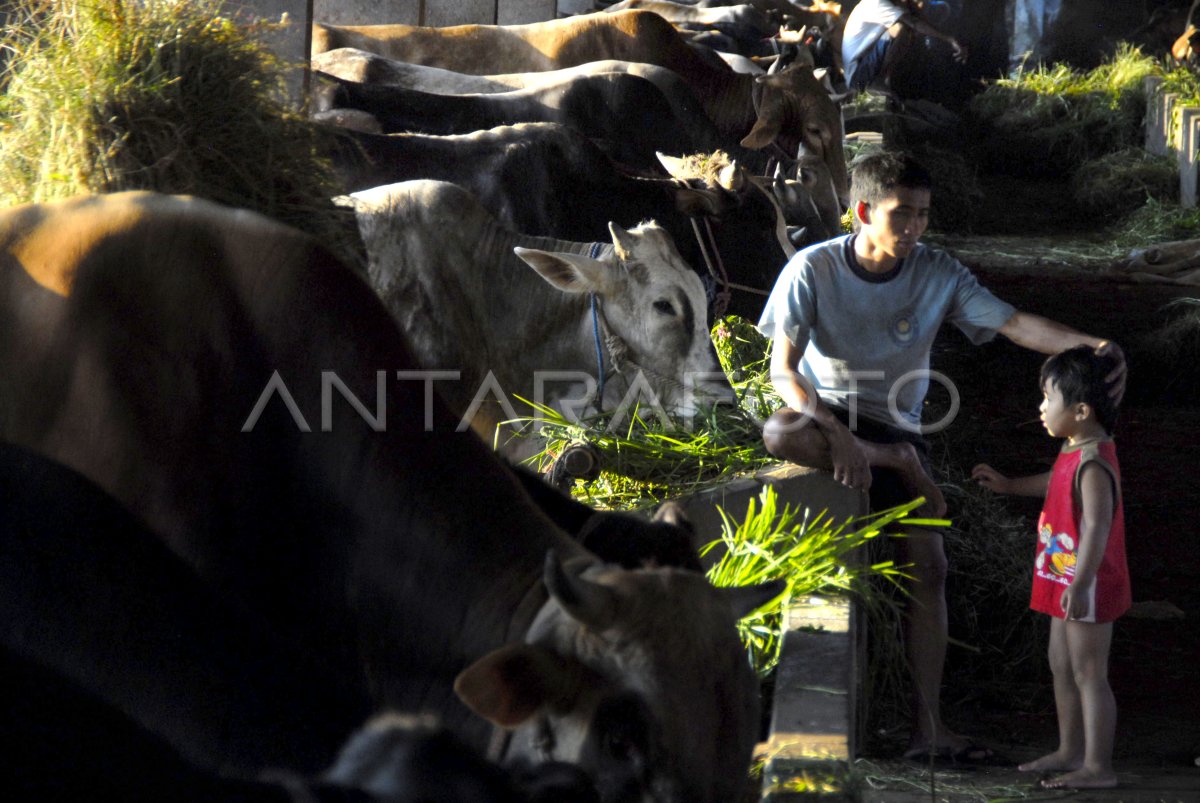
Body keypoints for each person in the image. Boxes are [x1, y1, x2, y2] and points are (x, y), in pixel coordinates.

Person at [756, 149, 1126, 761]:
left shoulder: (938, 272)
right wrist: (838, 432)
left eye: (924, 215)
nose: (914, 228)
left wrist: (1094, 343)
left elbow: (1013, 325)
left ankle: (928, 729)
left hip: (901, 428)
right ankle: (892, 459)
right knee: (778, 434)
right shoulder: (811, 269)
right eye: (902, 215)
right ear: (862, 211)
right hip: (827, 420)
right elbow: (784, 372)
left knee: (931, 572)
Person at [971, 346, 1128, 790]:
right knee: (1060, 664)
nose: (1041, 407)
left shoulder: (1095, 462)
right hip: (1064, 577)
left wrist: (1081, 584)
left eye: (1047, 398)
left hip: (1087, 582)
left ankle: (1099, 766)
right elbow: (1056, 481)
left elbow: (1097, 526)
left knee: (1089, 673)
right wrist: (1008, 486)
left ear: (1080, 410)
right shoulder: (1074, 448)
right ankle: (1069, 749)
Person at [840, 0, 967, 101]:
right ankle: (880, 82)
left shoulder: (893, 4)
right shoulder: (876, 3)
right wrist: (949, 39)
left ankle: (887, 81)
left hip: (866, 65)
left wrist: (952, 41)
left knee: (909, 29)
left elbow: (919, 20)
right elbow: (914, 23)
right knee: (901, 28)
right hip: (858, 77)